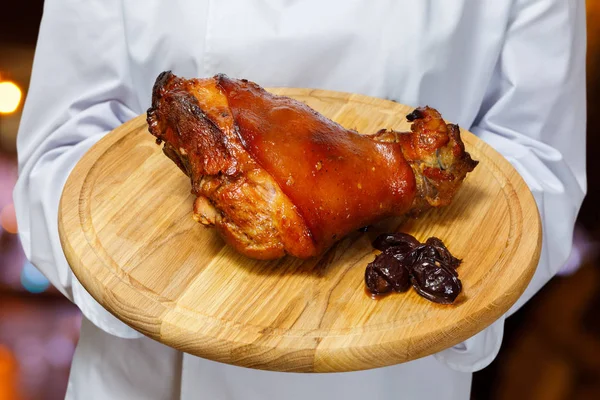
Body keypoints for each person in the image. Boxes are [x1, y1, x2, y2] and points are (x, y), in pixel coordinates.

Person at [13, 1, 587, 399]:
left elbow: (538, 165)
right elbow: (61, 146)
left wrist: (449, 317)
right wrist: (145, 284)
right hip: (149, 376)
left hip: (391, 379)